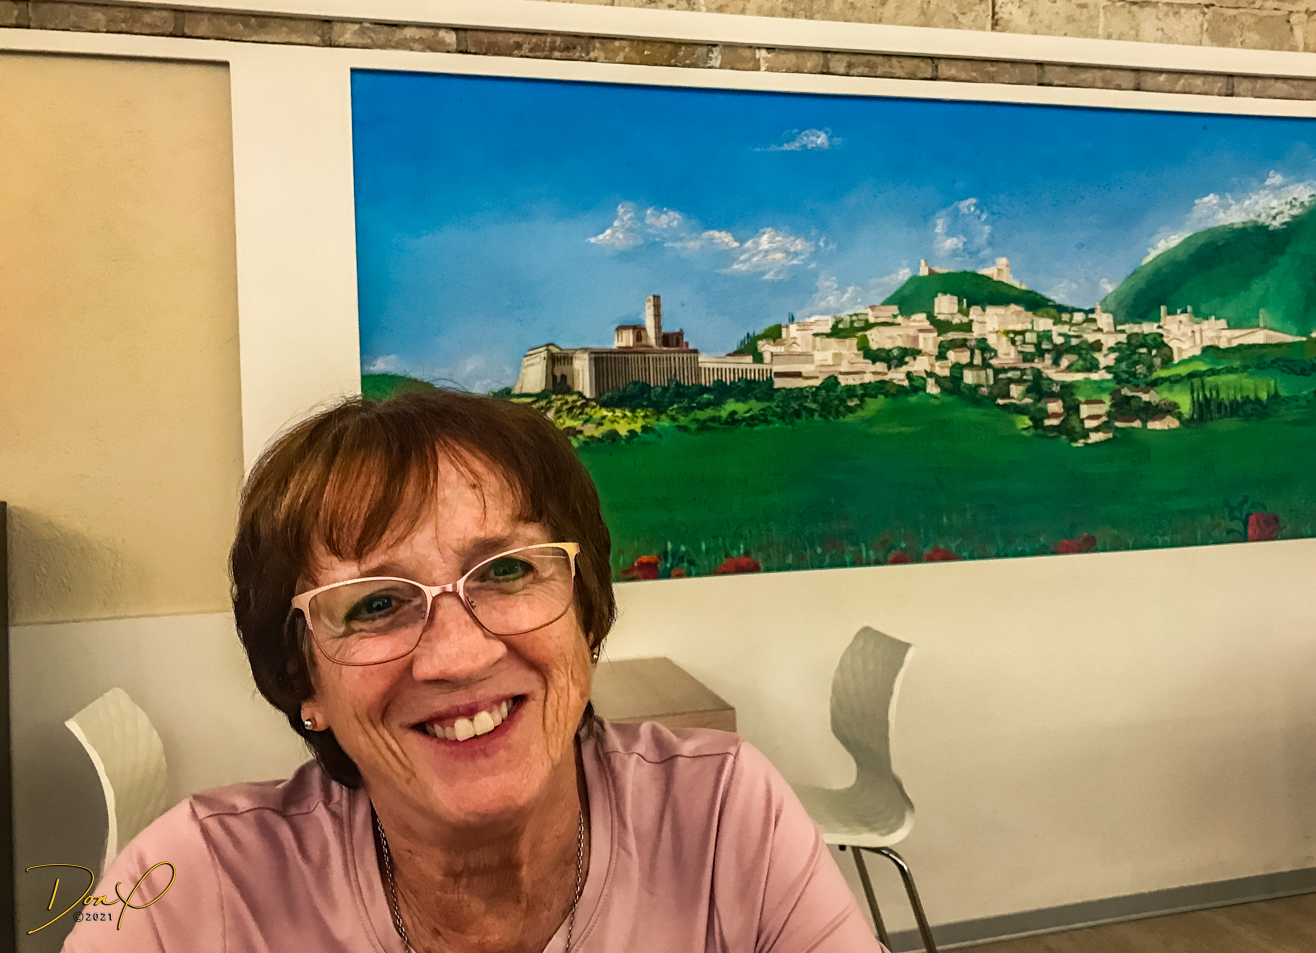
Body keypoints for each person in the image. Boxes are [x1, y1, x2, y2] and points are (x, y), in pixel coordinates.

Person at [63, 390, 882, 952]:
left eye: (508, 571)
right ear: (304, 681)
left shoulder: (721, 814)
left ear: (586, 612)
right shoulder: (192, 889)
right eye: (376, 604)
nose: (461, 654)